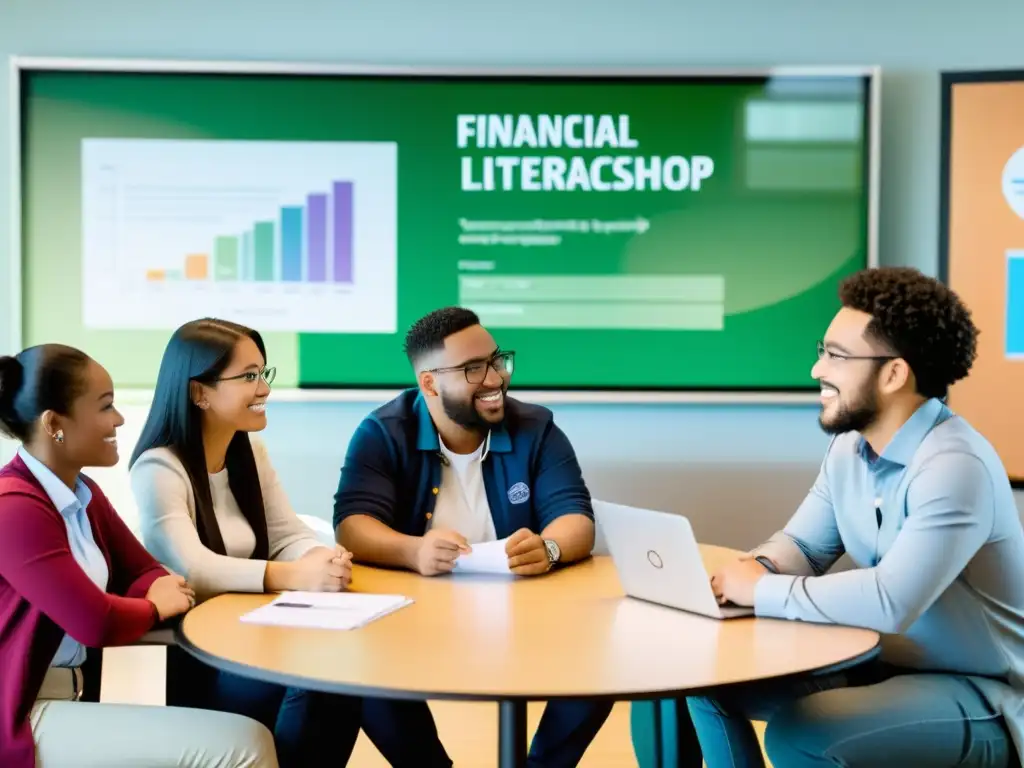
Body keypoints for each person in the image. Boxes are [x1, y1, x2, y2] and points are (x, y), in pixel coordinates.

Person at [688, 267, 1024, 767]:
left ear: (894, 373)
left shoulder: (956, 466)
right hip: (880, 663)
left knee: (801, 733)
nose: (816, 371)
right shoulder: (851, 449)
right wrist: (755, 568)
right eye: (822, 351)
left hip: (983, 692)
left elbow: (892, 601)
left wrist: (758, 591)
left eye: (836, 356)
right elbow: (804, 547)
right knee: (702, 680)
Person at [128, 317, 438, 768]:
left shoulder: (248, 450)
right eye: (248, 376)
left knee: (360, 657)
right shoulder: (159, 468)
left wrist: (321, 558)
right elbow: (192, 569)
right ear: (200, 392)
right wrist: (293, 574)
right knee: (326, 673)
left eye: (263, 373)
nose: (264, 388)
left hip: (260, 634)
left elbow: (286, 534)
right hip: (212, 660)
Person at [333, 306, 616, 767]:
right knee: (361, 669)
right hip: (412, 616)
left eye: (496, 360)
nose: (495, 378)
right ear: (429, 383)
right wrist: (413, 550)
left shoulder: (535, 427)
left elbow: (575, 518)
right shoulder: (383, 432)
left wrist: (547, 548)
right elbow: (352, 524)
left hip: (524, 613)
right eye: (472, 369)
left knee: (604, 655)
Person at [0, 343, 277, 768]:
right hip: (20, 713)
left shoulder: (80, 495)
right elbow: (94, 621)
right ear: (55, 423)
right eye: (105, 406)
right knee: (247, 744)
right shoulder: (15, 508)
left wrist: (154, 588)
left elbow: (142, 568)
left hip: (63, 699)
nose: (120, 419)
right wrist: (151, 605)